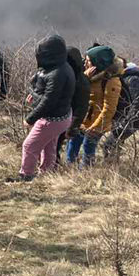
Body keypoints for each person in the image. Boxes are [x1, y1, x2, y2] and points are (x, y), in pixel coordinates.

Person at [9, 35, 74, 182]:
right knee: (49, 145)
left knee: (29, 145)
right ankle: (46, 174)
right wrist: (34, 95)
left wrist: (30, 118)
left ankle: (26, 176)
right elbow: (45, 93)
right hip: (63, 116)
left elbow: (49, 101)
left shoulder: (57, 73)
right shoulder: (60, 67)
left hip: (52, 118)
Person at [66, 45, 123, 167]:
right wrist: (84, 78)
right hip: (84, 119)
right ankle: (68, 170)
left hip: (97, 122)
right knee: (72, 143)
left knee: (88, 146)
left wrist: (96, 127)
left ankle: (85, 173)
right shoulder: (87, 74)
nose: (85, 63)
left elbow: (109, 108)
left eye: (88, 61)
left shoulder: (111, 81)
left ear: (98, 63)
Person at [56, 46, 92, 166]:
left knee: (55, 145)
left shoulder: (81, 81)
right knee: (52, 146)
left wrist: (73, 127)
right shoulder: (63, 74)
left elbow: (82, 107)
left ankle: (52, 169)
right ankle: (51, 168)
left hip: (67, 119)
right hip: (57, 116)